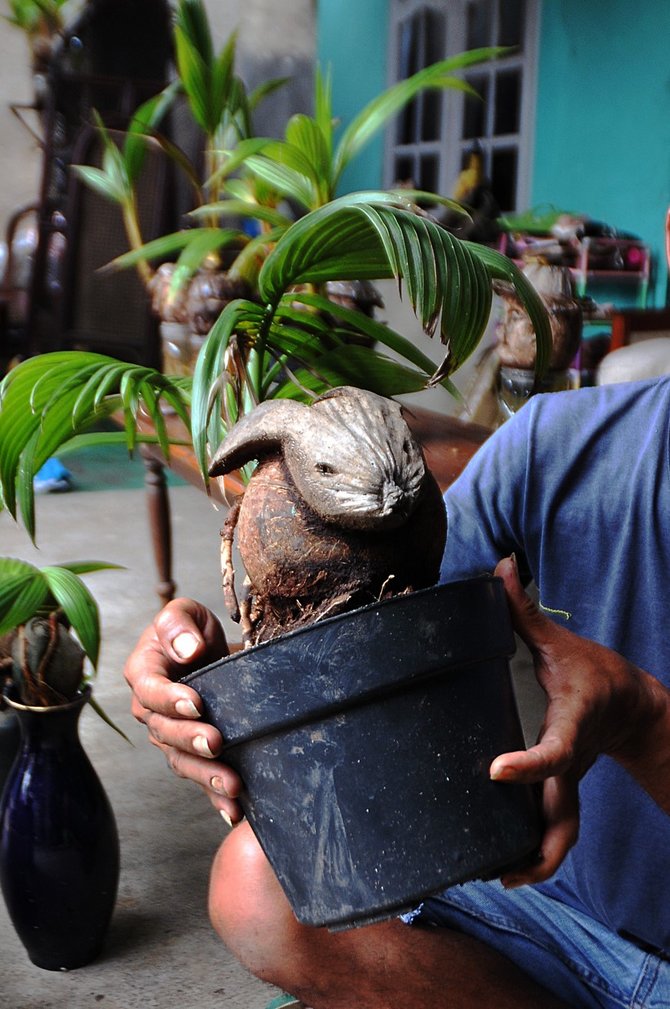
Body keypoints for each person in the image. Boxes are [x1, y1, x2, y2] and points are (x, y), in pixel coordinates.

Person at [125, 376, 670, 1009]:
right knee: (257, 886)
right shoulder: (563, 441)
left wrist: (644, 722)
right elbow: (386, 624)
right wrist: (229, 677)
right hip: (556, 905)